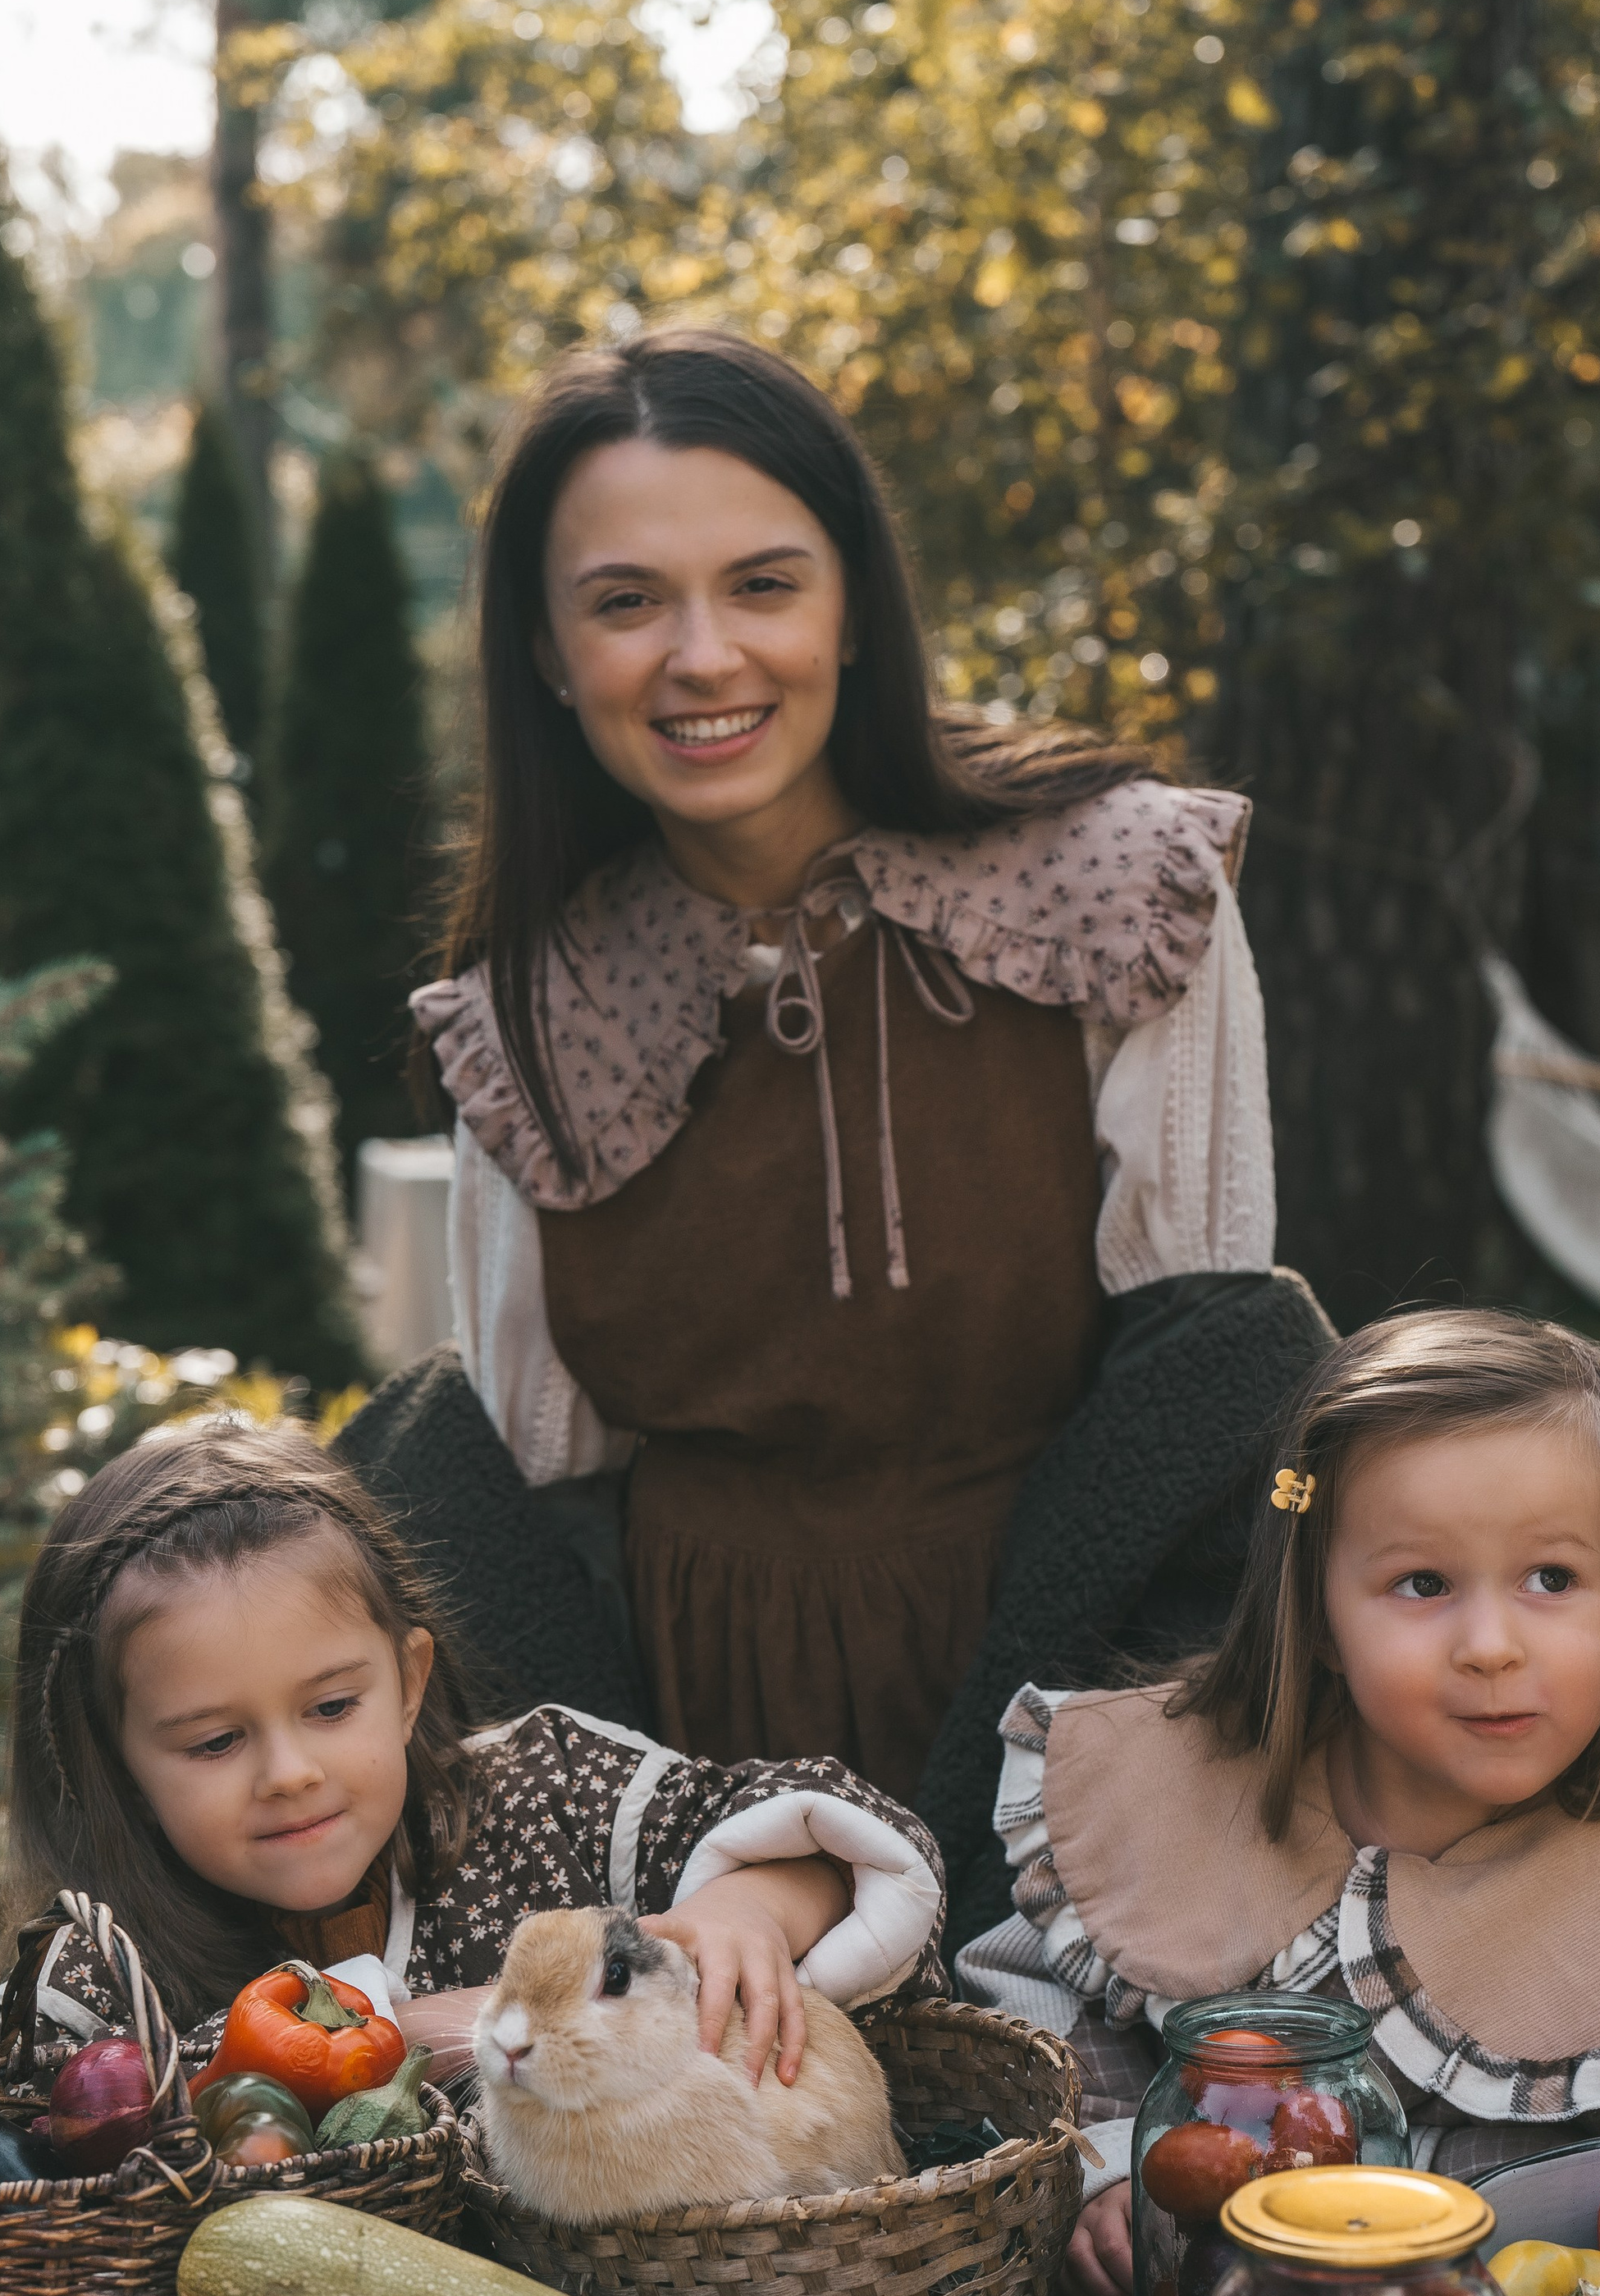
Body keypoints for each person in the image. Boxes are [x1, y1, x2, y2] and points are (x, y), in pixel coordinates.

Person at [340, 328, 1333, 1937]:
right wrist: (692, 1854)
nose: (701, 655)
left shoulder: (1107, 887)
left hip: (1085, 1692)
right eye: (624, 601)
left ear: (853, 605)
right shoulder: (530, 1011)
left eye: (761, 585)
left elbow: (1204, 1396)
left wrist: (1007, 1804)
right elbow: (539, 1508)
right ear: (542, 649)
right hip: (702, 1739)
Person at [955, 1309, 1600, 2296]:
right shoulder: (1176, 1795)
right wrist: (1109, 2171)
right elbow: (1039, 2009)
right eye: (1421, 1582)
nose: (1490, 1643)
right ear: (1321, 1616)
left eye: (1551, 1578)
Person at [0, 1423, 944, 2084]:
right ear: (117, 1763)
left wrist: (746, 1909)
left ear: (408, 1684)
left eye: (331, 1707)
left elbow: (846, 1835)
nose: (289, 1772)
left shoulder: (544, 1795)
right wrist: (392, 2036)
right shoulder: (95, 1975)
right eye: (216, 1741)